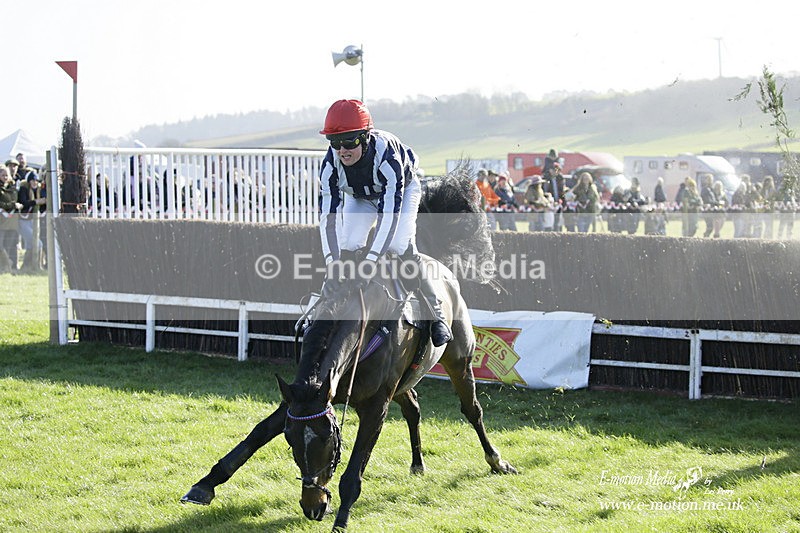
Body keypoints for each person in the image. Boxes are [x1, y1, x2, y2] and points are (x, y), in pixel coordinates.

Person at [317, 99, 451, 347]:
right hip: (360, 197)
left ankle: (436, 314)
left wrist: (370, 262)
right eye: (334, 143)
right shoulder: (329, 166)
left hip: (402, 191)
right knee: (348, 243)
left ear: (366, 137)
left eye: (349, 141)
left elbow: (388, 217)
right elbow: (328, 219)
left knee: (399, 245)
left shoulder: (387, 156)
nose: (342, 150)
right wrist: (332, 264)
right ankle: (328, 309)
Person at [16, 174, 46, 271]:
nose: (34, 182)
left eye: (36, 180)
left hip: (34, 220)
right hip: (23, 220)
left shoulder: (38, 191)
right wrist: (36, 202)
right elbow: (24, 203)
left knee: (30, 244)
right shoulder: (23, 190)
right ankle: (37, 265)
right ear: (29, 181)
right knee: (38, 243)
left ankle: (27, 266)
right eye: (32, 180)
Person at [0, 163, 22, 273]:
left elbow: (14, 201)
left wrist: (13, 205)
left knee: (9, 245)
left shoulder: (13, 188)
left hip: (12, 220)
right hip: (1, 221)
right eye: (3, 175)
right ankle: (7, 263)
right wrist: (12, 205)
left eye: (6, 175)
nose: (5, 177)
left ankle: (6, 267)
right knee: (0, 246)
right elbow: (3, 204)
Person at [699, 173, 717, 238]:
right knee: (710, 226)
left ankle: (706, 237)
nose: (710, 181)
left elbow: (714, 199)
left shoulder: (711, 189)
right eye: (708, 179)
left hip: (712, 209)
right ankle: (705, 237)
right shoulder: (704, 189)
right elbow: (705, 199)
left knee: (711, 226)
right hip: (707, 210)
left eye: (711, 179)